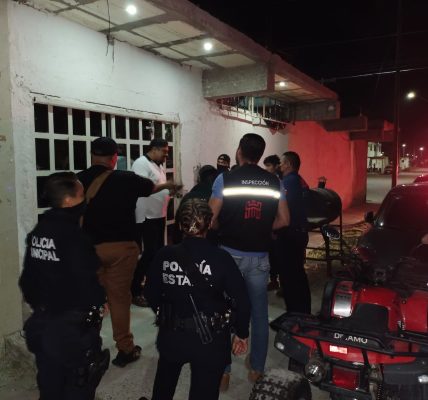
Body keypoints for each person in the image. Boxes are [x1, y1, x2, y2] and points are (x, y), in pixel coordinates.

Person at [77, 137, 178, 368]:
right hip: (121, 249)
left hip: (89, 250)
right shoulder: (127, 178)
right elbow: (152, 188)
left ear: (92, 155)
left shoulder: (78, 180)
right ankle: (125, 349)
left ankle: (88, 348)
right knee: (119, 299)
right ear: (115, 158)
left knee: (91, 299)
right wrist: (168, 186)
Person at [142, 199, 251, 400]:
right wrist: (242, 333)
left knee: (164, 386)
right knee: (204, 393)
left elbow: (150, 292)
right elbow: (242, 299)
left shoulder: (164, 255)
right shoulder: (221, 258)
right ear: (210, 223)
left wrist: (167, 313)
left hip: (172, 335)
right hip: (210, 340)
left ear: (180, 225)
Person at [209, 133, 289, 387]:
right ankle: (256, 369)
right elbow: (284, 220)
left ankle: (223, 372)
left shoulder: (225, 178)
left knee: (224, 311)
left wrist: (223, 228)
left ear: (239, 152)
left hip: (228, 255)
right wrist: (263, 230)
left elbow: (209, 218)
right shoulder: (275, 181)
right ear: (260, 155)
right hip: (259, 258)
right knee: (259, 313)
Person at [19, 172, 109, 400]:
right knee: (78, 385)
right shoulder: (73, 237)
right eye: (81, 195)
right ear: (69, 201)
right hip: (71, 330)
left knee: (50, 387)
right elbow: (88, 282)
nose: (84, 200)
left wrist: (43, 306)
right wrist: (99, 304)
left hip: (42, 324)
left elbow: (27, 280)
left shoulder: (39, 232)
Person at [131, 138, 172, 307]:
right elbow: (143, 188)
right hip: (146, 217)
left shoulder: (158, 166)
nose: (166, 155)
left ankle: (151, 287)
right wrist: (167, 186)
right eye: (164, 152)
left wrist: (169, 190)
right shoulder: (141, 164)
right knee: (148, 254)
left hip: (158, 216)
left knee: (156, 254)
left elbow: (158, 187)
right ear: (154, 149)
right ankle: (135, 290)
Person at [276, 151, 311, 314]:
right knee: (298, 273)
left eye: (282, 163)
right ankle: (303, 311)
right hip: (299, 232)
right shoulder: (299, 181)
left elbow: (283, 209)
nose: (280, 166)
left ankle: (294, 313)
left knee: (289, 277)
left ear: (288, 164)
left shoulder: (287, 183)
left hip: (290, 235)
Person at [172, 165, 218, 244]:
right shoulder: (216, 197)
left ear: (199, 178)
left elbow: (178, 222)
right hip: (210, 242)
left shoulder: (188, 196)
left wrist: (177, 244)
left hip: (188, 241)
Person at [263, 154, 282, 291]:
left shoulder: (279, 182)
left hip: (277, 224)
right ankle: (274, 279)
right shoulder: (268, 181)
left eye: (269, 165)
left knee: (277, 254)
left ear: (276, 166)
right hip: (270, 223)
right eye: (266, 166)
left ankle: (281, 282)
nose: (267, 168)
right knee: (271, 254)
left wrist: (274, 227)